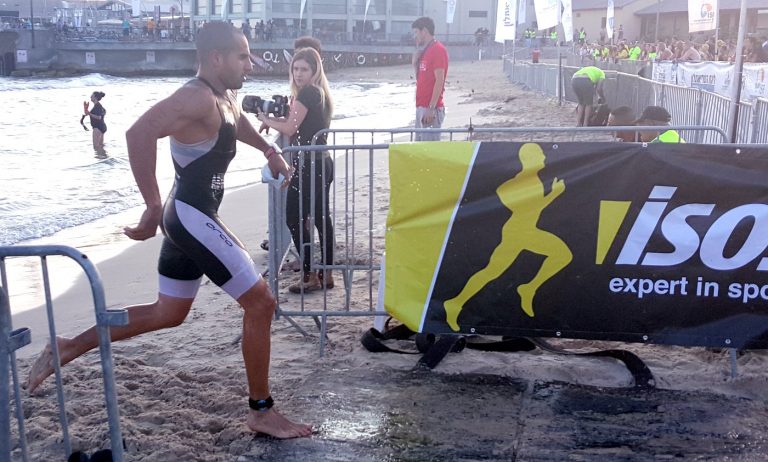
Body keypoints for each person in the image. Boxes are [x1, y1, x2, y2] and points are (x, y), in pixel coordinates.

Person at [27, 21, 312, 439]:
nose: (250, 64)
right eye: (242, 56)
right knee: (261, 303)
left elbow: (236, 122)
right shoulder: (195, 97)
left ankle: (69, 345)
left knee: (168, 312)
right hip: (191, 218)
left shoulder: (222, 96)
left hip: (191, 217)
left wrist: (269, 150)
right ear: (216, 58)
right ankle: (261, 411)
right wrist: (151, 205)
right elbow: (139, 132)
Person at [257, 47, 335, 293]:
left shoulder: (308, 92)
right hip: (322, 161)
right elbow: (298, 123)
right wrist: (274, 121)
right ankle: (326, 273)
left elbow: (291, 128)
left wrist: (266, 119)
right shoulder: (320, 92)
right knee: (321, 218)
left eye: (304, 69)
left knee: (293, 216)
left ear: (314, 71)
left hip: (311, 164)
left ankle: (310, 274)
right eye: (295, 69)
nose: (299, 74)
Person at [412, 16, 448, 141]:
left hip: (431, 109)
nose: (415, 36)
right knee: (420, 148)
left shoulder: (438, 50)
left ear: (424, 31)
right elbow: (421, 79)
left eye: (416, 32)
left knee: (428, 148)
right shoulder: (425, 51)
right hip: (421, 106)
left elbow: (440, 80)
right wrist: (415, 64)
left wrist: (431, 108)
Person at [84, 91, 107, 157]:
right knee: (100, 145)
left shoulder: (97, 106)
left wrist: (89, 113)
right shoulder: (99, 106)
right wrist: (87, 111)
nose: (90, 97)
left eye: (92, 96)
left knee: (96, 147)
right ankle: (104, 158)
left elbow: (99, 117)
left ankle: (100, 159)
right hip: (102, 127)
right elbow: (103, 113)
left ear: (95, 98)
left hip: (97, 128)